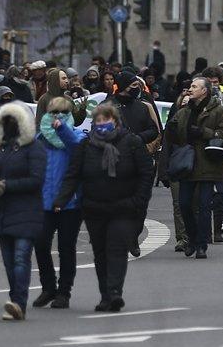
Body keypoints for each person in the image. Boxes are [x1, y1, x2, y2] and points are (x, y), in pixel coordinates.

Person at [54, 102, 153, 311]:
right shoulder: (86, 146)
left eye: (106, 120)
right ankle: (105, 295)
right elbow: (74, 175)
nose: (101, 124)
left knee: (116, 249)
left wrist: (138, 201)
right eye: (98, 121)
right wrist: (61, 199)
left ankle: (115, 292)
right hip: (94, 208)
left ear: (115, 121)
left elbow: (145, 173)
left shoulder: (131, 142)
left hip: (124, 208)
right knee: (100, 253)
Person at [0, 101, 45, 320]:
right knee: (10, 262)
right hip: (4, 211)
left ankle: (19, 301)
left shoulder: (35, 148)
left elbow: (37, 180)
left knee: (20, 258)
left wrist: (7, 185)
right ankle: (15, 300)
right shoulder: (6, 149)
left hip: (27, 211)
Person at [166, 77, 223, 259]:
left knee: (205, 206)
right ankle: (192, 238)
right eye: (190, 86)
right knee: (185, 204)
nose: (190, 89)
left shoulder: (219, 110)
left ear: (204, 91)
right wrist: (172, 130)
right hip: (187, 165)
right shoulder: (184, 111)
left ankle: (202, 244)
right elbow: (174, 134)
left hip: (208, 163)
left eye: (194, 86)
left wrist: (205, 133)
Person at [32, 97, 85, 309]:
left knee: (66, 247)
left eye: (62, 113)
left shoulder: (77, 136)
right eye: (53, 113)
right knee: (41, 243)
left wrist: (62, 129)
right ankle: (48, 287)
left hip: (69, 202)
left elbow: (75, 148)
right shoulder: (40, 139)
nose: (57, 117)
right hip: (45, 201)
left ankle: (64, 291)